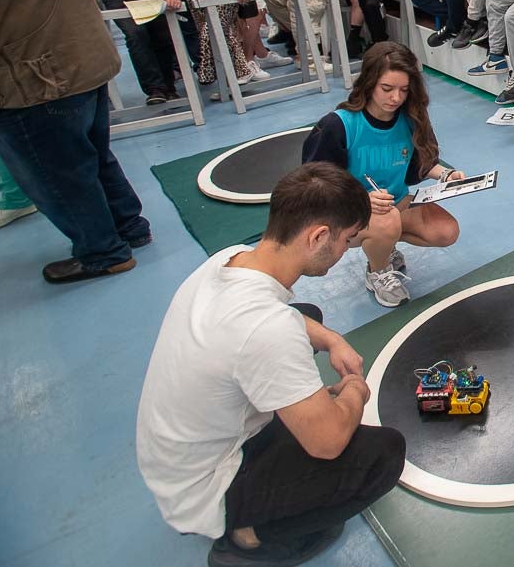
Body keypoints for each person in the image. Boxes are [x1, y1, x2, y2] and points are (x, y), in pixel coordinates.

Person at [137, 163, 404, 565]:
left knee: (306, 313)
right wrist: (353, 392)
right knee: (382, 454)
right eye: (347, 240)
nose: (347, 251)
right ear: (318, 236)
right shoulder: (266, 329)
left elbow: (283, 321)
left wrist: (331, 338)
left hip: (176, 458)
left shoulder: (230, 259)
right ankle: (249, 536)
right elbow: (328, 442)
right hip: (207, 489)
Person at [0, 0, 153, 283]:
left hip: (33, 74)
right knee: (91, 156)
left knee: (57, 171)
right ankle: (128, 227)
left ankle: (102, 251)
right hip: (75, 58)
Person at [302, 43, 464, 306]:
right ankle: (378, 271)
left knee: (446, 232)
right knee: (386, 220)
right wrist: (361, 200)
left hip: (396, 203)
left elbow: (417, 166)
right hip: (348, 215)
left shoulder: (410, 118)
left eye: (403, 90)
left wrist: (446, 174)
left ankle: (383, 247)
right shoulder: (338, 125)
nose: (396, 98)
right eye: (387, 89)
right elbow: (314, 185)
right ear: (369, 83)